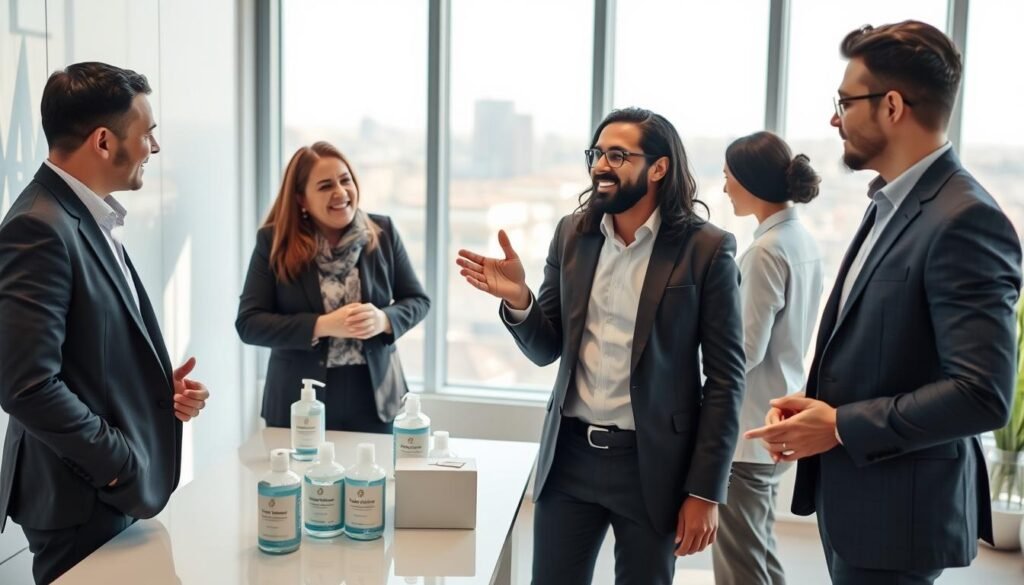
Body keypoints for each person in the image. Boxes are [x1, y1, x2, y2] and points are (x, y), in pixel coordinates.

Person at [745, 21, 1022, 585]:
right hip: (859, 502)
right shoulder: (888, 203)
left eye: (844, 102)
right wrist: (816, 406)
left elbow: (982, 394)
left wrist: (841, 424)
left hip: (900, 520)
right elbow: (889, 346)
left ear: (892, 106)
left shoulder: (966, 219)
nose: (834, 117)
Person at [456, 107, 745, 584]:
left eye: (617, 154)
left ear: (659, 167)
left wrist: (705, 491)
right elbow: (546, 348)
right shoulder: (573, 234)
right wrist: (520, 301)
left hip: (652, 464)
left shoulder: (706, 249)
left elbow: (726, 379)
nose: (599, 166)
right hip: (570, 456)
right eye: (596, 153)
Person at [0, 62, 211, 584]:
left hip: (102, 492)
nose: (154, 148)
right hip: (82, 496)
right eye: (147, 134)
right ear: (101, 142)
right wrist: (118, 463)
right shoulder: (37, 227)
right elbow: (26, 385)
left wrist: (156, 391)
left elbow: (85, 354)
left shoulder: (81, 216)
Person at [236, 141, 428, 433]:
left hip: (375, 396)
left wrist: (384, 319)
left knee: (379, 479)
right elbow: (249, 324)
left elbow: (417, 300)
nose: (340, 192)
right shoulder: (273, 241)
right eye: (325, 186)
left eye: (345, 180)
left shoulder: (383, 232)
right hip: (298, 399)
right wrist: (323, 325)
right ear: (302, 199)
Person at [712, 131, 824, 585]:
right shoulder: (801, 241)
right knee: (759, 550)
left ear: (749, 181)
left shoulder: (765, 251)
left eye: (727, 177)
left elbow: (745, 350)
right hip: (776, 416)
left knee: (740, 565)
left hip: (747, 430)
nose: (723, 189)